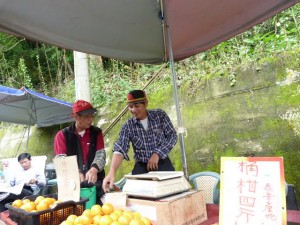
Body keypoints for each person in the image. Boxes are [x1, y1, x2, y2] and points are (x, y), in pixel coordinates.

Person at [102, 90, 178, 192]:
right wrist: (112, 172)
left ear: (145, 103)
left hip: (162, 162)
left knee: (171, 190)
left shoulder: (160, 116)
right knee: (136, 193)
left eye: (136, 106)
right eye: (130, 106)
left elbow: (172, 136)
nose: (133, 110)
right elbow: (120, 149)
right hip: (142, 166)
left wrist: (157, 154)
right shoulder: (128, 126)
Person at [54, 99, 106, 204]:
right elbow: (61, 160)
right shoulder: (62, 135)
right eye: (87, 116)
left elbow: (101, 154)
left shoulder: (96, 132)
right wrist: (75, 173)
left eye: (92, 115)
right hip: (72, 187)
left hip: (95, 184)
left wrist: (94, 168)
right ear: (76, 117)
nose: (91, 119)